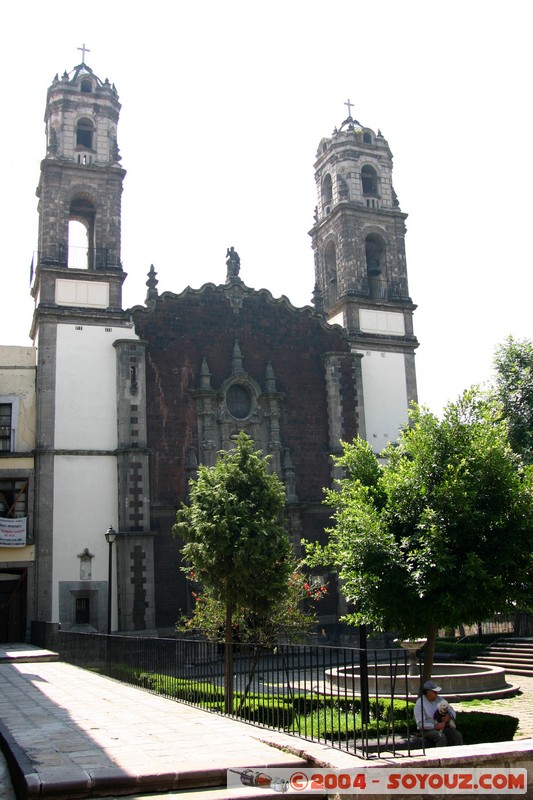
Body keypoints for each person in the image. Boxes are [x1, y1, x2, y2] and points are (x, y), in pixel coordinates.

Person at [414, 680, 463, 746]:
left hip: (442, 727)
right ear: (428, 692)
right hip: (427, 730)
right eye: (434, 692)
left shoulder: (440, 699)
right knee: (441, 737)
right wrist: (435, 726)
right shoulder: (419, 703)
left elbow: (451, 710)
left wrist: (449, 716)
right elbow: (420, 723)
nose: (437, 693)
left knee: (457, 735)